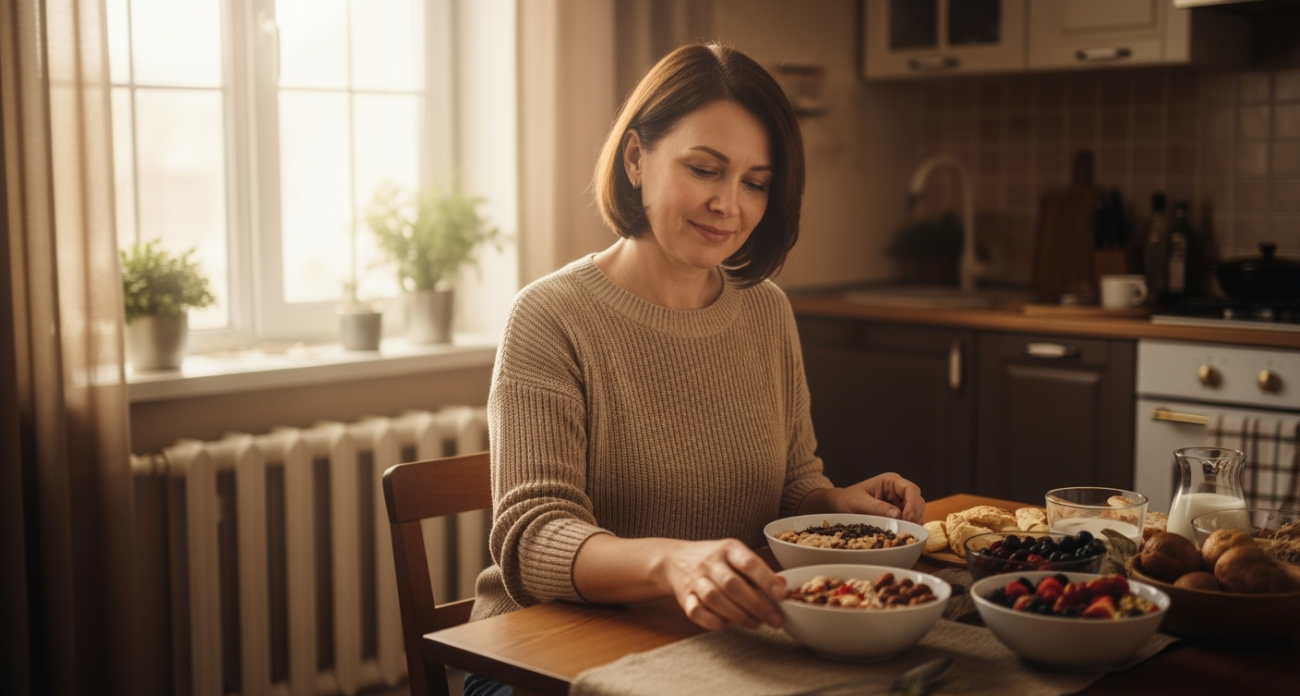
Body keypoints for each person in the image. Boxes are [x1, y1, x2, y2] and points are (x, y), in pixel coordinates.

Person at [462, 42, 924, 696]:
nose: (728, 205)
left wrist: (836, 505)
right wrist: (672, 563)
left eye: (756, 183)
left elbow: (794, 485)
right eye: (705, 169)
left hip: (713, 647)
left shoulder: (766, 313)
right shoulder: (551, 315)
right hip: (546, 659)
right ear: (635, 159)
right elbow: (534, 540)